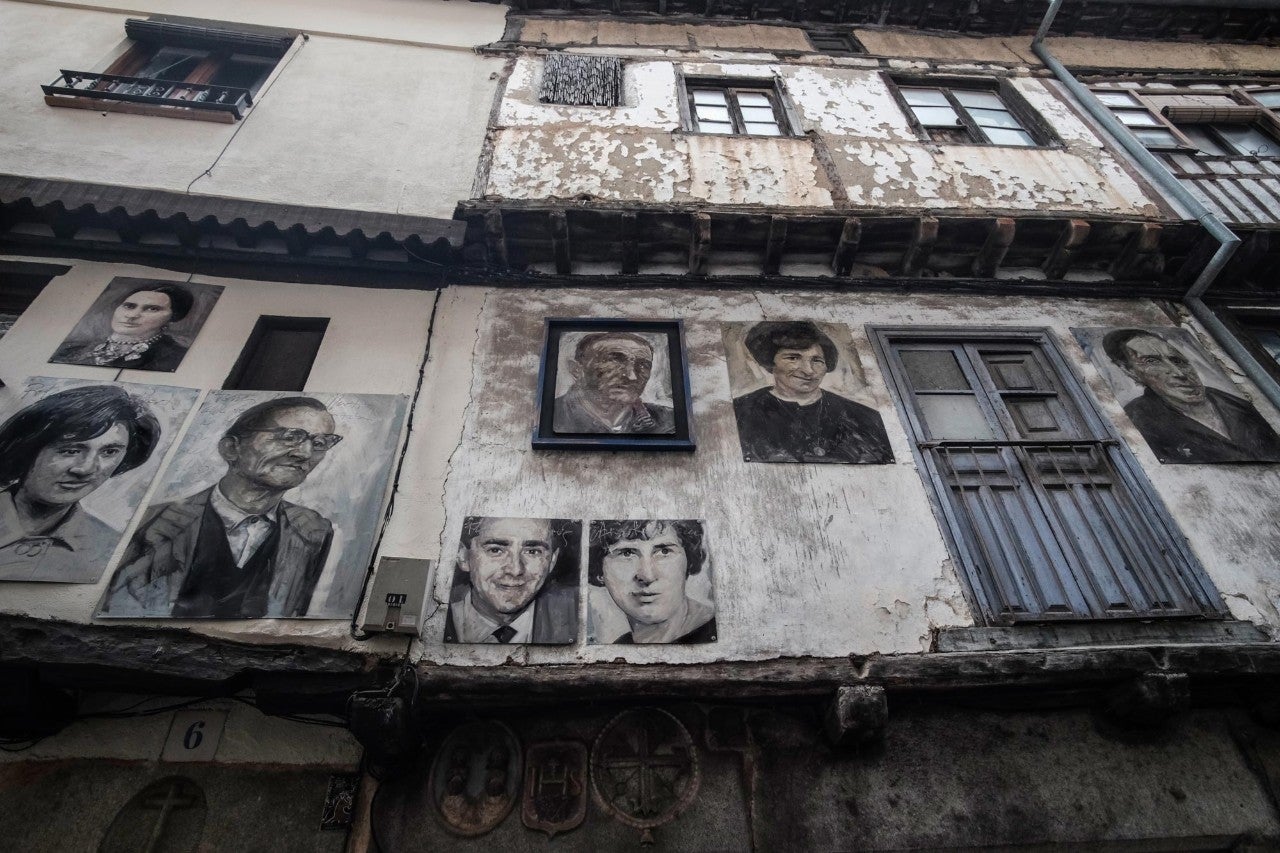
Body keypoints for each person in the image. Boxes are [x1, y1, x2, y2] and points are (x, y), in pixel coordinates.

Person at [103, 396, 339, 618]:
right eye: (289, 437)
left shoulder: (314, 531)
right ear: (231, 448)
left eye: (320, 443)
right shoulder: (152, 521)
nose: (305, 453)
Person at [0, 385, 160, 583]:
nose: (85, 469)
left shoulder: (115, 549)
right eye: (70, 450)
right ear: (27, 449)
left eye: (109, 451)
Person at [1103, 328, 1280, 464]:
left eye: (1178, 361)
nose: (1178, 372)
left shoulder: (1239, 405)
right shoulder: (1138, 419)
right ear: (1129, 371)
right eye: (1151, 361)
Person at [732, 321, 893, 464]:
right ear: (769, 362)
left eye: (817, 360)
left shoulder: (865, 418)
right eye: (793, 358)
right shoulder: (742, 411)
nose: (809, 371)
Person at [444, 516, 577, 644]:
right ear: (463, 557)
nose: (515, 570)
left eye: (532, 552)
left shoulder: (580, 614)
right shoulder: (440, 609)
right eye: (495, 550)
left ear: (552, 561)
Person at [589, 519, 715, 645]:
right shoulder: (619, 648)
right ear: (600, 571)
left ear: (689, 561)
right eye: (626, 554)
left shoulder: (713, 633)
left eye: (664, 551)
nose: (647, 576)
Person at [52, 283, 195, 371]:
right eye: (129, 306)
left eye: (152, 309)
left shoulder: (174, 357)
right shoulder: (70, 350)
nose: (132, 315)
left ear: (173, 317)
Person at [553, 332, 675, 434]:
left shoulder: (670, 421)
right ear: (577, 370)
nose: (632, 376)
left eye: (643, 365)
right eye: (614, 361)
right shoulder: (553, 417)